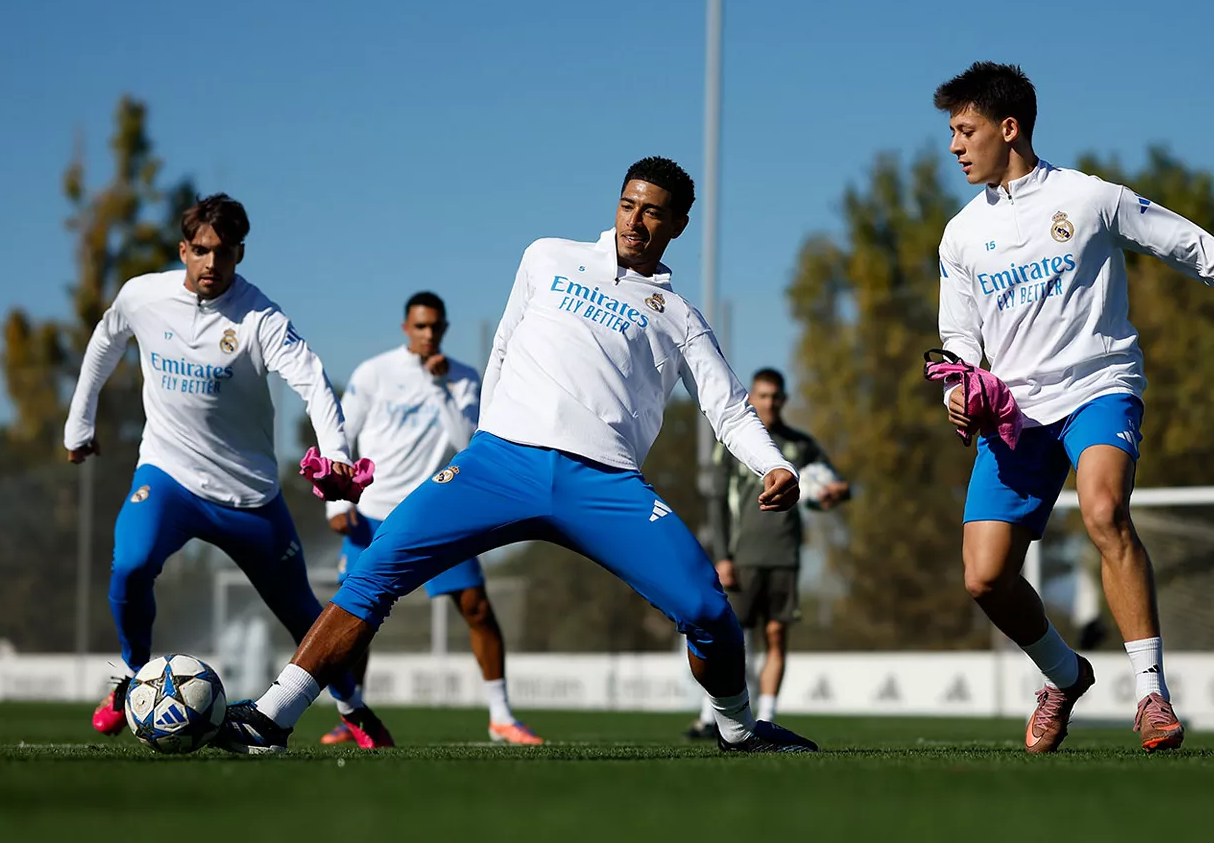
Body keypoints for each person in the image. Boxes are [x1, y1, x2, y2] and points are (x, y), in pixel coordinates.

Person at [217, 157, 818, 754]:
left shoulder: (681, 318)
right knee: (374, 572)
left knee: (708, 609)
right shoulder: (547, 256)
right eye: (628, 204)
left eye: (653, 213)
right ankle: (270, 719)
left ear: (679, 225)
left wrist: (774, 465)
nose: (635, 221)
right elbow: (503, 346)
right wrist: (488, 440)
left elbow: (729, 408)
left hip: (604, 482)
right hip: (500, 464)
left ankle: (739, 731)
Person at [932, 62, 1214, 753]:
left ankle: (1151, 694)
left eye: (966, 131)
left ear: (1009, 127)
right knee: (985, 577)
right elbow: (958, 337)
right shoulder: (961, 234)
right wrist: (958, 386)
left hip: (1099, 387)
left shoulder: (1090, 199)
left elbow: (1194, 246)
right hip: (1016, 414)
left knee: (1104, 511)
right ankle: (1064, 676)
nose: (955, 146)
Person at [63, 194, 392, 747]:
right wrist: (80, 422)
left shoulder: (260, 318)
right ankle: (132, 680)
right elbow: (106, 339)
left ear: (240, 253)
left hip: (249, 498)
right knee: (131, 565)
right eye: (200, 250)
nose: (211, 263)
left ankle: (353, 710)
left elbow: (312, 380)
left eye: (223, 252)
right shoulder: (143, 296)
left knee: (304, 615)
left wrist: (335, 452)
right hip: (168, 475)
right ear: (183, 250)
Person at [322, 291, 542, 746]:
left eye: (435, 327)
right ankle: (352, 716)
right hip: (373, 515)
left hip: (435, 513)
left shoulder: (463, 378)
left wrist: (441, 387)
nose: (428, 334)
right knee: (354, 615)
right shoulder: (374, 372)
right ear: (406, 327)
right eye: (420, 326)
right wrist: (336, 502)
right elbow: (342, 433)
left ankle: (501, 716)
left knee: (477, 608)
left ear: (444, 329)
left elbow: (469, 442)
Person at [685, 368, 849, 738]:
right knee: (729, 637)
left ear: (783, 399)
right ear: (752, 398)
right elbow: (717, 503)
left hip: (785, 555)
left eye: (775, 396)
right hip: (742, 556)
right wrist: (722, 556)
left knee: (776, 636)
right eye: (762, 395)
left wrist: (836, 492)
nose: (769, 403)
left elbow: (834, 484)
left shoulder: (800, 445)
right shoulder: (735, 443)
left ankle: (768, 714)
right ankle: (711, 717)